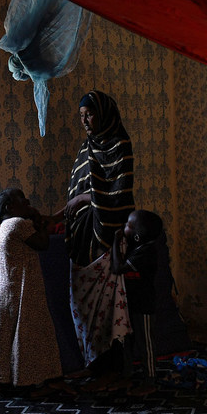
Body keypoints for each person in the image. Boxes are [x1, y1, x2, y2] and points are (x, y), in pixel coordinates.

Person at [51, 90, 135, 389]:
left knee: (109, 308)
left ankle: (112, 372)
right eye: (82, 116)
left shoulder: (120, 144)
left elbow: (119, 193)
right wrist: (57, 217)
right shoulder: (86, 147)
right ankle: (94, 365)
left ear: (104, 114)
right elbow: (76, 195)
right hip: (82, 235)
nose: (86, 121)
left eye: (90, 114)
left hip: (107, 235)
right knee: (82, 305)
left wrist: (84, 200)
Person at [0, 188, 65, 395]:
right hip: (27, 290)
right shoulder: (20, 224)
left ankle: (12, 380)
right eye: (23, 200)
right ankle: (30, 384)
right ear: (10, 207)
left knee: (12, 334)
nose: (28, 202)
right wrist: (37, 219)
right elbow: (43, 244)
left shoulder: (3, 228)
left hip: (8, 290)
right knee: (29, 336)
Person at [110, 210, 164, 395]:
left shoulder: (146, 252)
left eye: (128, 226)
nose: (124, 227)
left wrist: (115, 242)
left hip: (144, 305)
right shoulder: (138, 247)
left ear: (138, 236)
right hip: (131, 304)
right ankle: (127, 376)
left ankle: (150, 381)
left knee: (146, 343)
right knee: (128, 342)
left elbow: (118, 268)